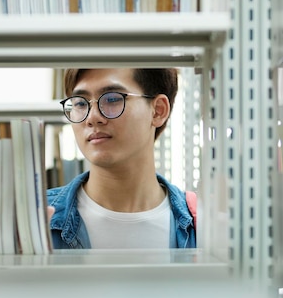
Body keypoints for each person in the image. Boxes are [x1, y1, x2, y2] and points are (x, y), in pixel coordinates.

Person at [46, 68, 196, 249]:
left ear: (158, 111)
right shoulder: (36, 220)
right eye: (80, 103)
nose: (92, 118)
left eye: (112, 99)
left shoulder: (204, 227)